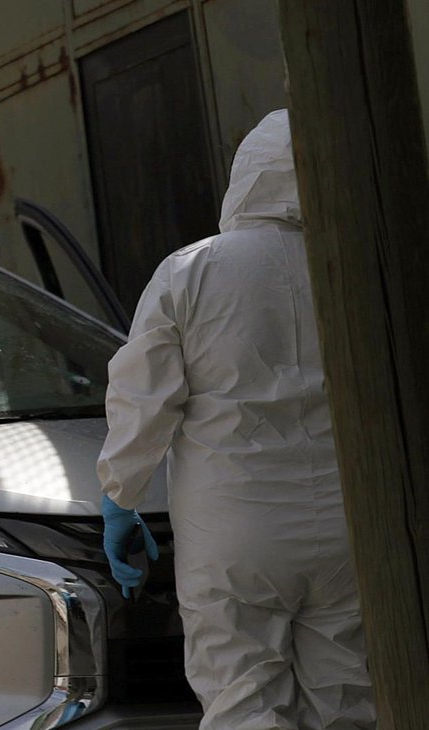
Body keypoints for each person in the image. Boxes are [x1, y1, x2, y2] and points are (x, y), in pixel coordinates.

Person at [96, 110, 376, 729]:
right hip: (347, 527)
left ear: (246, 175)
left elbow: (144, 397)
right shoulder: (354, 268)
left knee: (243, 700)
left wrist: (122, 495)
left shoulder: (192, 270)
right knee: (349, 704)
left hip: (235, 535)